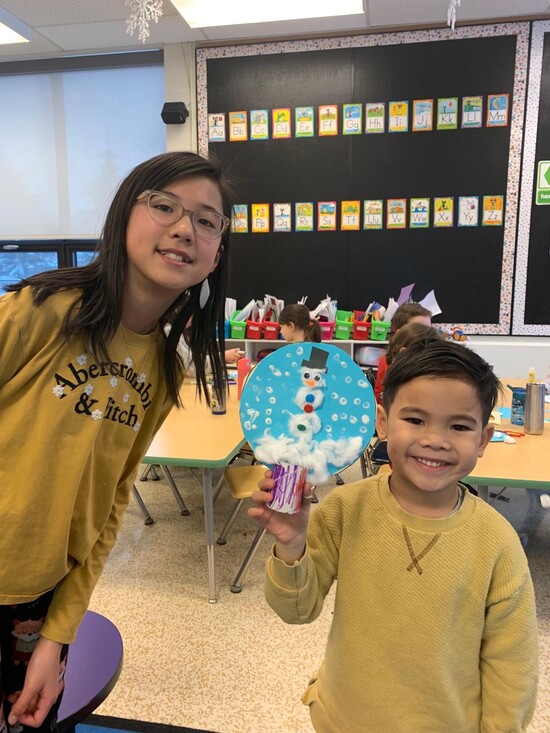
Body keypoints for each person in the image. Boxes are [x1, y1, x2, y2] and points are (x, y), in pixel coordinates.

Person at [0, 151, 233, 732]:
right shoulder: (43, 309)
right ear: (123, 215)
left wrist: (58, 635)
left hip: (41, 598)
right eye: (165, 206)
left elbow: (111, 505)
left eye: (208, 221)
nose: (185, 228)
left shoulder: (162, 366)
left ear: (216, 254)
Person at [249, 340, 538, 733]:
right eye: (415, 420)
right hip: (341, 718)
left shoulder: (497, 542)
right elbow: (297, 611)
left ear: (483, 439)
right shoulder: (345, 508)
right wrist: (291, 543)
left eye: (459, 426)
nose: (435, 439)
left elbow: (513, 666)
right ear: (382, 423)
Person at [374, 301, 432, 403]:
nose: (428, 336)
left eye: (429, 330)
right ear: (400, 334)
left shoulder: (432, 359)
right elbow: (381, 399)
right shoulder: (389, 362)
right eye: (419, 330)